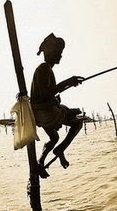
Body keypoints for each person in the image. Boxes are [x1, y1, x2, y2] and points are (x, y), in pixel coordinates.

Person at [31, 33, 84, 176]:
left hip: (41, 115)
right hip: (47, 114)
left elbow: (46, 94)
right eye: (59, 53)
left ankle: (41, 161)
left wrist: (67, 85)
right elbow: (46, 95)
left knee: (54, 138)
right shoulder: (44, 69)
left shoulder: (44, 70)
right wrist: (68, 82)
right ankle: (60, 150)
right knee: (78, 123)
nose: (61, 56)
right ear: (51, 53)